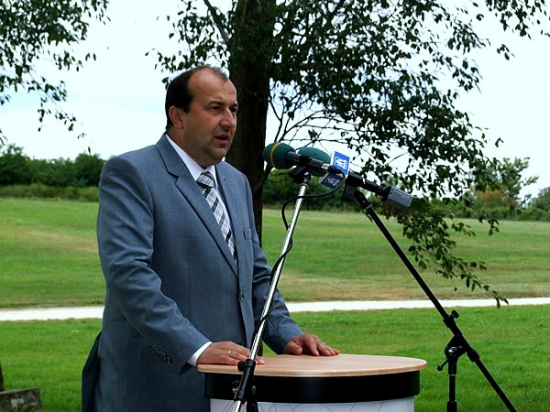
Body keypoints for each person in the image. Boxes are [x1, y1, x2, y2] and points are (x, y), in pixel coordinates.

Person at [82, 65, 339, 411]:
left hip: (233, 388)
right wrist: (197, 348)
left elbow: (255, 277)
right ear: (177, 116)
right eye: (215, 108)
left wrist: (287, 335)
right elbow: (129, 275)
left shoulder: (236, 183)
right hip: (156, 391)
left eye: (233, 110)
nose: (229, 121)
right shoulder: (132, 173)